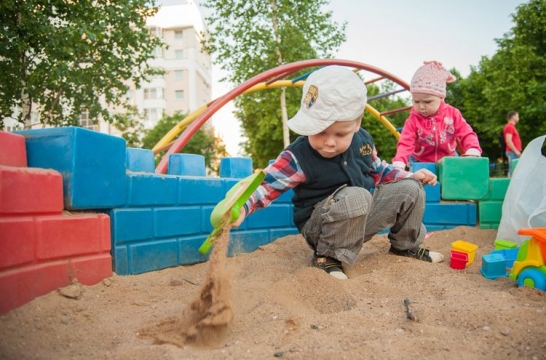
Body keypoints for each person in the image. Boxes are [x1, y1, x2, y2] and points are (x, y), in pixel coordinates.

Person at [231, 65, 444, 281]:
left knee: (411, 189)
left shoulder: (363, 142)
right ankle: (326, 257)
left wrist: (410, 176)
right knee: (357, 196)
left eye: (341, 133)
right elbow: (267, 185)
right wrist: (243, 206)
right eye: (320, 132)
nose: (330, 142)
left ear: (357, 124)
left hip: (359, 218)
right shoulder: (298, 156)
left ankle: (405, 247)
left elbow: (378, 170)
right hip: (322, 228)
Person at [392, 61, 482, 170]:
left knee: (452, 182)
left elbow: (466, 133)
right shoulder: (413, 119)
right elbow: (406, 142)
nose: (421, 107)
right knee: (422, 185)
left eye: (427, 102)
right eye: (416, 101)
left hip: (449, 159)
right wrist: (399, 162)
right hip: (420, 161)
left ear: (441, 98)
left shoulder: (452, 114)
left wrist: (472, 149)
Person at [503, 111, 522, 177]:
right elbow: (508, 141)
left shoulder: (512, 127)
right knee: (512, 171)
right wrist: (516, 151)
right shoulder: (509, 127)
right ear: (513, 117)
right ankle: (510, 186)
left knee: (515, 170)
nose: (518, 118)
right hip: (512, 152)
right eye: (517, 116)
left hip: (513, 152)